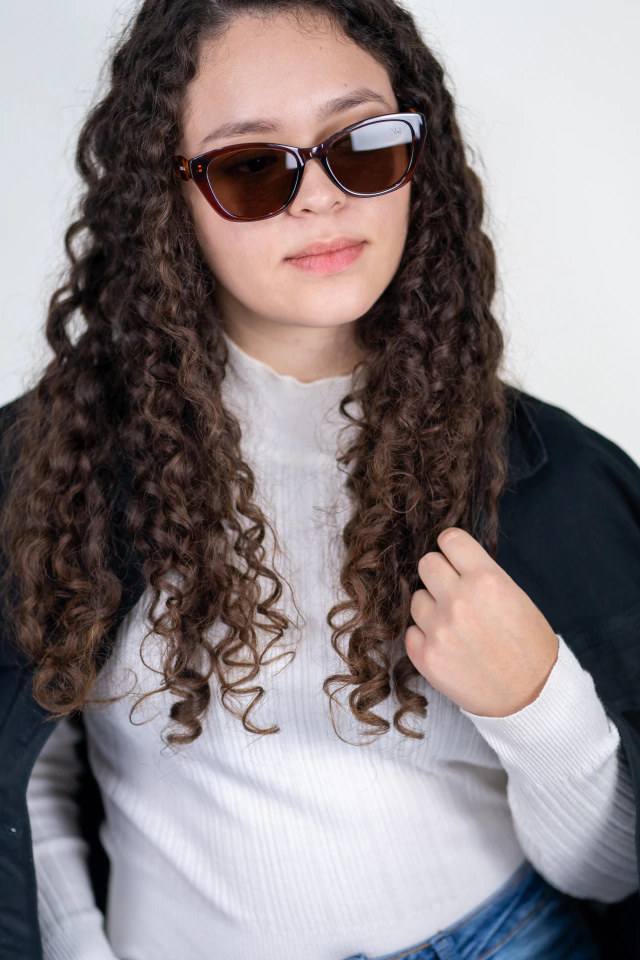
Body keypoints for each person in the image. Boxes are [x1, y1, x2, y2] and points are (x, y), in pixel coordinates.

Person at [0, 0, 638, 958]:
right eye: (252, 166)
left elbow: (614, 879)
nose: (321, 198)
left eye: (363, 146)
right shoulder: (54, 463)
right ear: (167, 197)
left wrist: (540, 707)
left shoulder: (562, 483)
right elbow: (26, 765)